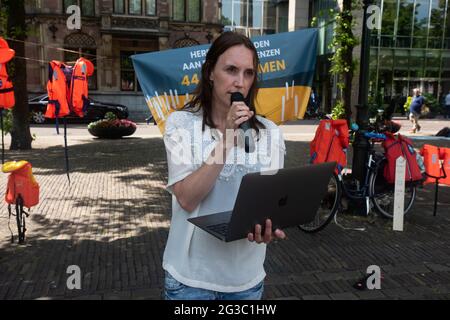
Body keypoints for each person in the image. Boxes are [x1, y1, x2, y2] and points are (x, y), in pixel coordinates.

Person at [162, 32, 286, 300]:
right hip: (190, 280)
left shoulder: (270, 132)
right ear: (210, 72)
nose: (240, 82)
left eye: (249, 73)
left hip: (246, 280)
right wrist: (228, 137)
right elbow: (186, 197)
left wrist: (270, 226)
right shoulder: (181, 125)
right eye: (231, 70)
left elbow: (271, 200)